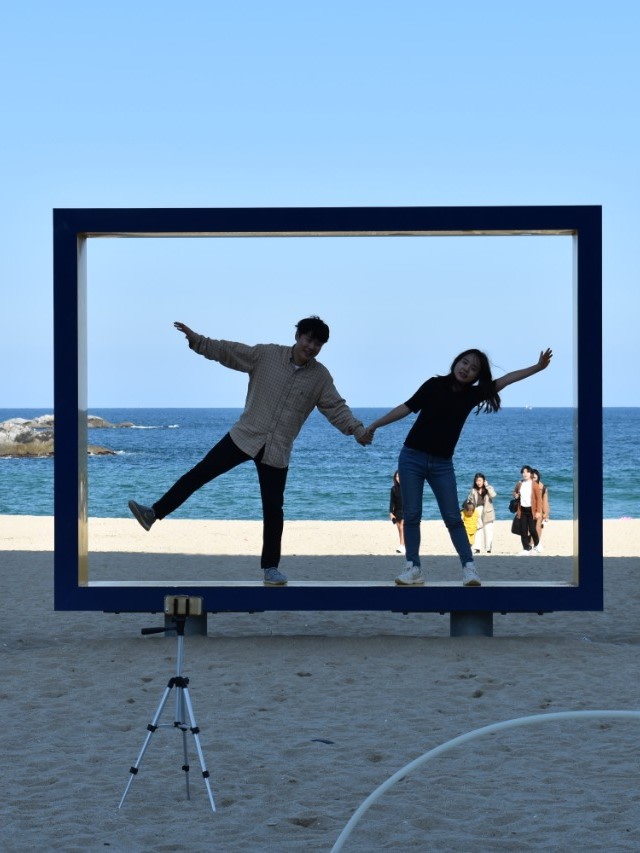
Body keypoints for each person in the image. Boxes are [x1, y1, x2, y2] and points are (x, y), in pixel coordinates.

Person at [128, 317, 371, 585]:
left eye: (318, 343)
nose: (311, 347)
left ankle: (270, 568)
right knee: (199, 474)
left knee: (274, 510)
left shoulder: (320, 378)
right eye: (308, 339)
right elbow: (229, 351)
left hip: (277, 449)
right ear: (298, 336)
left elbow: (336, 408)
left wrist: (357, 431)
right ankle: (153, 513)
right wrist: (197, 341)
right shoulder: (266, 355)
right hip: (245, 435)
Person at [365, 347, 553, 586]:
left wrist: (537, 367)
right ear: (456, 362)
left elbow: (505, 380)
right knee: (412, 515)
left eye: (474, 368)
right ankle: (413, 567)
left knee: (453, 517)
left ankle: (469, 568)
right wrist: (375, 425)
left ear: (477, 376)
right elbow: (406, 407)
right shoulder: (433, 385)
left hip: (442, 464)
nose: (467, 369)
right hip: (411, 457)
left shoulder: (472, 395)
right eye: (465, 363)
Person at [513, 465, 543, 554]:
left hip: (532, 510)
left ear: (530, 473)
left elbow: (539, 499)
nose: (525, 474)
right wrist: (516, 495)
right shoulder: (520, 483)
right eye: (523, 472)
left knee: (532, 529)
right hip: (522, 510)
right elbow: (514, 492)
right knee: (523, 530)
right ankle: (526, 548)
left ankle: (537, 544)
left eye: (527, 472)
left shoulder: (534, 484)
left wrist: (538, 511)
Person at [467, 472, 496, 554]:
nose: (478, 482)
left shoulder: (488, 488)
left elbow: (493, 495)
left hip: (488, 511)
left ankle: (488, 548)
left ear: (484, 480)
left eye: (480, 480)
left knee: (488, 530)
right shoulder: (473, 490)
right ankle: (477, 548)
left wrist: (487, 486)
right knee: (478, 529)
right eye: (477, 481)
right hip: (477, 511)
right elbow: (469, 500)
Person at [530, 468, 550, 544]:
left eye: (534, 478)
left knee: (537, 530)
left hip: (538, 513)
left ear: (538, 477)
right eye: (531, 478)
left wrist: (546, 515)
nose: (533, 480)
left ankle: (535, 546)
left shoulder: (543, 488)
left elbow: (545, 503)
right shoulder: (526, 486)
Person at [389, 470, 405, 554]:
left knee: (402, 527)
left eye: (400, 476)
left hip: (406, 510)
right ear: (395, 478)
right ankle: (403, 545)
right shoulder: (393, 489)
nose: (398, 478)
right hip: (397, 511)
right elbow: (391, 502)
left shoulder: (407, 487)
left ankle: (402, 545)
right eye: (397, 477)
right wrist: (391, 513)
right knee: (399, 528)